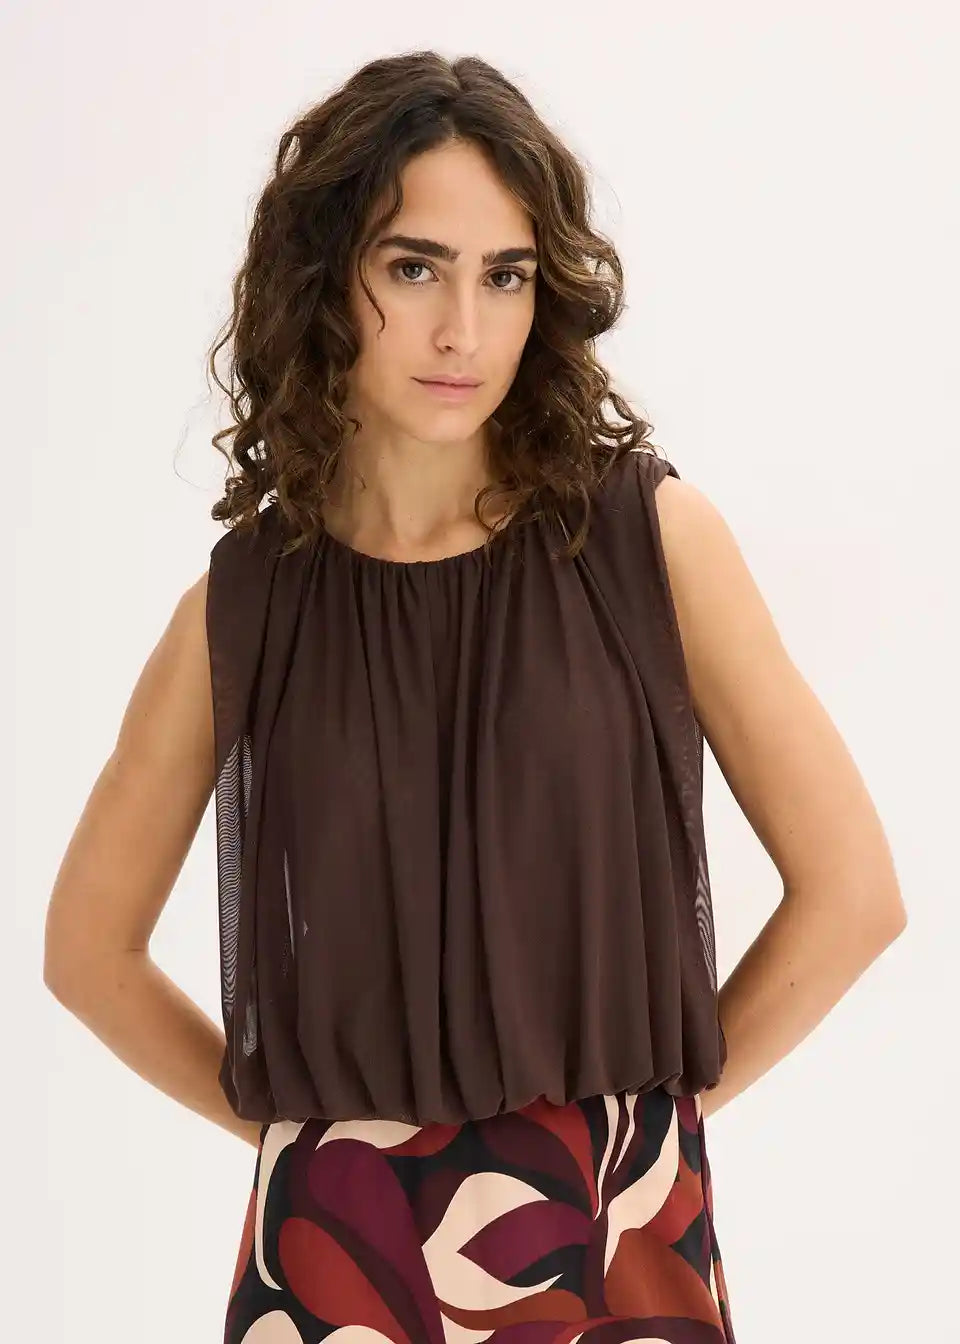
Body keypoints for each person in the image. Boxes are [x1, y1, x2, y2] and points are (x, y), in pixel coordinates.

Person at [43, 51, 906, 1344]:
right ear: (322, 279)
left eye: (505, 275)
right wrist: (315, 1140)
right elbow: (86, 954)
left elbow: (856, 895)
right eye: (414, 268)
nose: (463, 330)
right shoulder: (246, 605)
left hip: (610, 1231)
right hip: (339, 1258)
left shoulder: (650, 543)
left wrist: (636, 1133)